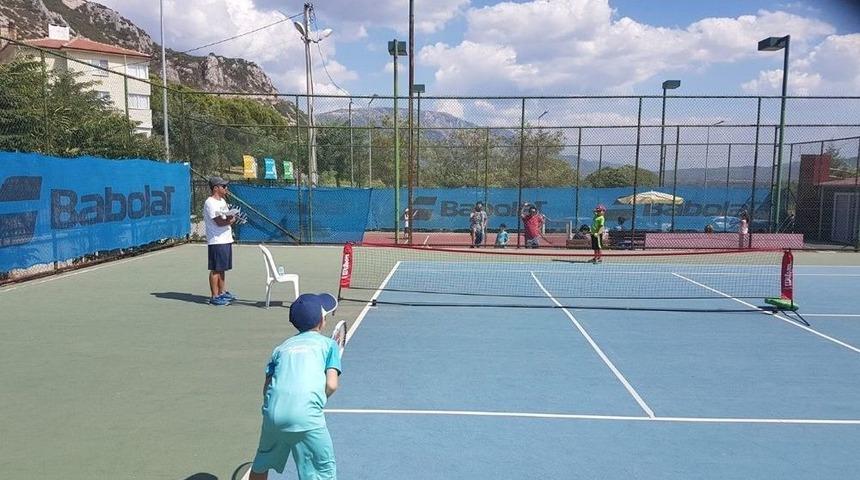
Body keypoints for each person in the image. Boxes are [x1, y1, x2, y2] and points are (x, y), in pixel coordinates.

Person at [249, 293, 342, 480]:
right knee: (322, 472)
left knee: (261, 463)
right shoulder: (329, 345)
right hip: (307, 417)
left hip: (273, 415)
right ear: (322, 321)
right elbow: (331, 385)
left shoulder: (281, 348)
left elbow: (266, 388)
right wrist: (314, 400)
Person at [204, 176, 237, 306]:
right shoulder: (209, 203)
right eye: (223, 187)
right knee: (215, 269)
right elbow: (219, 222)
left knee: (222, 268)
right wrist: (231, 220)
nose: (226, 188)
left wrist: (231, 217)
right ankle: (214, 296)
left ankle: (222, 292)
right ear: (216, 188)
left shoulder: (222, 201)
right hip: (216, 240)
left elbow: (225, 217)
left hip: (226, 239)